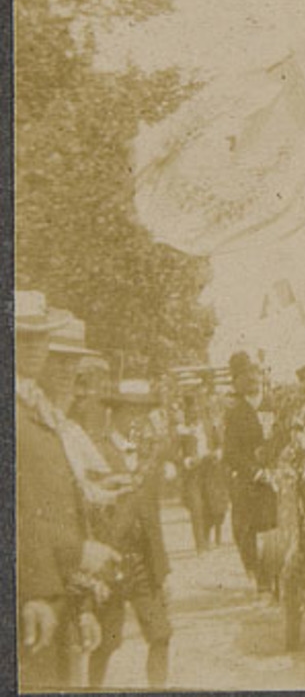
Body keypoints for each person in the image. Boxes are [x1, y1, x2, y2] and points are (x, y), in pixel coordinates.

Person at [15, 292, 116, 691]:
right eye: (24, 337)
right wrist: (40, 590)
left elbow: (57, 510)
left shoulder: (35, 411)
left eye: (42, 336)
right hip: (29, 601)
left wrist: (80, 602)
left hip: (52, 598)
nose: (37, 347)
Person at [86, 380, 173, 689]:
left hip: (144, 559)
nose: (137, 418)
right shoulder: (96, 449)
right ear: (115, 412)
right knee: (106, 641)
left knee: (160, 634)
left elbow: (152, 512)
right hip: (110, 559)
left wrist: (161, 568)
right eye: (130, 410)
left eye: (142, 411)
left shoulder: (150, 453)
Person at [223, 350, 272, 590]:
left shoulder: (276, 404)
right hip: (252, 480)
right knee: (245, 526)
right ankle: (257, 574)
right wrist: (255, 472)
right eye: (244, 375)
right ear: (237, 382)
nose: (252, 378)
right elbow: (230, 453)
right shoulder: (235, 414)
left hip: (281, 475)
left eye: (255, 371)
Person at [175, 390, 224, 554]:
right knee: (196, 507)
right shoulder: (180, 429)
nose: (194, 413)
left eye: (196, 410)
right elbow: (174, 453)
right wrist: (187, 461)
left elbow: (219, 444)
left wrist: (216, 454)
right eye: (191, 411)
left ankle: (206, 536)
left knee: (211, 507)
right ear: (186, 412)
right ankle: (200, 545)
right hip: (192, 473)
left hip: (209, 470)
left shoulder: (208, 425)